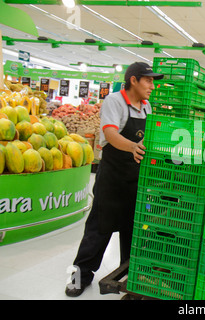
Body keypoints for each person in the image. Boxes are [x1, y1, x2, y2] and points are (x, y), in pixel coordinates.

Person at [65, 62, 163, 297]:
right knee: (98, 230)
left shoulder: (147, 106)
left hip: (135, 180)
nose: (152, 86)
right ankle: (80, 277)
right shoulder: (115, 101)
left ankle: (130, 278)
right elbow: (109, 133)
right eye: (148, 80)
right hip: (112, 179)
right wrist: (132, 147)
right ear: (133, 80)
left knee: (133, 231)